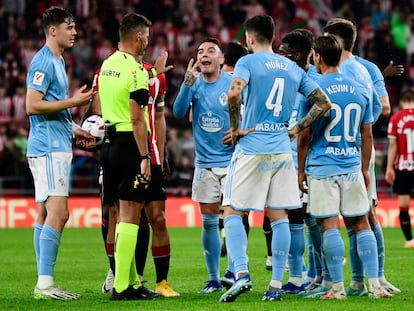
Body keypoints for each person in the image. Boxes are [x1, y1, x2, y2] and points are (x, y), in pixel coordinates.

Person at [218, 15, 331, 303]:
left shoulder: (247, 62)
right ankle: (276, 285)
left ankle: (241, 274)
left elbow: (234, 93)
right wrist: (296, 127)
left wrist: (235, 129)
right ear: (273, 35)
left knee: (232, 210)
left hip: (252, 147)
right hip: (281, 149)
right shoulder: (291, 68)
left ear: (250, 38)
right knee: (279, 214)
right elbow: (323, 102)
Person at [298, 34, 392, 299]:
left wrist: (300, 170)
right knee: (361, 223)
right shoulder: (361, 89)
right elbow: (368, 134)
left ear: (317, 56)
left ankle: (336, 288)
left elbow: (304, 134)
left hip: (323, 165)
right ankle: (375, 286)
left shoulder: (314, 88)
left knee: (329, 225)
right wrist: (364, 168)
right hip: (351, 164)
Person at [323, 17, 400, 296]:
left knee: (363, 215)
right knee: (357, 215)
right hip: (353, 148)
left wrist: (352, 126)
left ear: (335, 39)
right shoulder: (366, 68)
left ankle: (374, 278)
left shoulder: (360, 69)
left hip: (351, 148)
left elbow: (384, 106)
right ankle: (361, 280)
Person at [26, 6, 94, 300]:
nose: (75, 32)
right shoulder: (42, 62)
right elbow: (33, 105)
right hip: (48, 149)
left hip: (55, 143)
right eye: (69, 27)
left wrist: (76, 130)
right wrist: (73, 101)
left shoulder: (57, 60)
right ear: (53, 30)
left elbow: (51, 109)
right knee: (60, 212)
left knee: (44, 212)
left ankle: (44, 281)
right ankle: (45, 283)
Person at [98, 12, 159, 301]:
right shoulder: (134, 70)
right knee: (131, 216)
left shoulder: (107, 65)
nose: (148, 40)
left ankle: (131, 281)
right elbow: (137, 118)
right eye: (146, 36)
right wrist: (145, 155)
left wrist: (154, 73)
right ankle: (122, 287)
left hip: (108, 143)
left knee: (120, 215)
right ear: (138, 37)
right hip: (129, 143)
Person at [173, 38, 234, 293]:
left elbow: (251, 109)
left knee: (233, 221)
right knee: (209, 222)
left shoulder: (232, 83)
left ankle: (234, 272)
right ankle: (213, 278)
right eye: (200, 51)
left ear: (221, 59)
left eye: (211, 51)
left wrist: (240, 130)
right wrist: (187, 82)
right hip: (205, 163)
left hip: (232, 161)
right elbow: (177, 113)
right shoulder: (193, 83)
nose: (204, 54)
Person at [385, 89, 414, 248]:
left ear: (401, 102)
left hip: (403, 167)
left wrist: (389, 167)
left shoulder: (396, 118)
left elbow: (393, 144)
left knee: (404, 205)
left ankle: (410, 240)